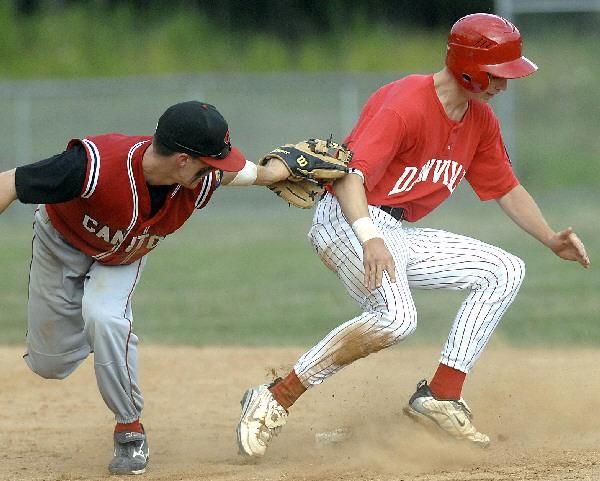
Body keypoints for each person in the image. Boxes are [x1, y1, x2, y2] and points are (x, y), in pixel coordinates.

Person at [236, 13, 590, 457]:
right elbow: (349, 176)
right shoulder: (405, 103)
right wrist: (368, 237)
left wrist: (550, 238)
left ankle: (441, 395)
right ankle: (275, 396)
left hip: (396, 228)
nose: (505, 84)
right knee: (396, 318)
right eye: (497, 74)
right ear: (467, 67)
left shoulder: (479, 121)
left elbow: (505, 187)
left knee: (504, 269)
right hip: (347, 219)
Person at [0, 100, 290, 475]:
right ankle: (97, 335)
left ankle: (129, 430)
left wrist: (276, 173)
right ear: (183, 160)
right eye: (209, 164)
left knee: (105, 317)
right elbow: (9, 181)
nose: (214, 173)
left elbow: (240, 173)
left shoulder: (196, 178)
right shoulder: (93, 166)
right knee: (49, 364)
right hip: (62, 247)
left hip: (123, 259)